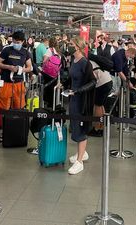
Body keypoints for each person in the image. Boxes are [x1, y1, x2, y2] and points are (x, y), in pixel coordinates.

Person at [61, 36, 96, 175]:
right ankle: (82, 152)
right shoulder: (73, 61)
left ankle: (80, 161)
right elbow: (71, 78)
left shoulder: (85, 63)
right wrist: (63, 84)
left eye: (70, 44)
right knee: (75, 126)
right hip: (73, 100)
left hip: (82, 101)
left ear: (77, 46)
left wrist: (79, 91)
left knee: (81, 129)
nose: (68, 46)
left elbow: (93, 81)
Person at [0, 31, 32, 110]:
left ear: (23, 41)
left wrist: (22, 69)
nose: (15, 44)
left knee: (18, 106)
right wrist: (8, 67)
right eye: (14, 42)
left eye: (18, 42)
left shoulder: (25, 52)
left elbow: (30, 67)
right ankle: (2, 121)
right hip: (6, 82)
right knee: (3, 107)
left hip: (19, 83)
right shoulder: (7, 50)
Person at [87, 60, 113, 137]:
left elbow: (92, 78)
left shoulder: (87, 63)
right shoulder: (93, 61)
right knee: (101, 105)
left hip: (102, 84)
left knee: (97, 105)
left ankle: (97, 128)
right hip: (108, 81)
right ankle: (102, 126)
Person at [42, 37, 61, 108]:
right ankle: (53, 104)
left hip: (48, 73)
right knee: (53, 89)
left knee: (47, 89)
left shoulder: (49, 50)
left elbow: (44, 61)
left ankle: (48, 105)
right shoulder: (58, 51)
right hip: (55, 73)